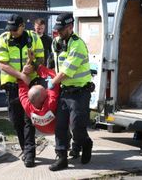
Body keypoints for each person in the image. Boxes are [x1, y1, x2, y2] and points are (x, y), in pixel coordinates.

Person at [0, 14, 44, 167]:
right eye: (10, 29)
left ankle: (30, 154)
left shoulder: (34, 38)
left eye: (15, 29)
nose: (12, 32)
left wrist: (33, 66)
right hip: (13, 86)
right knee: (16, 121)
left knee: (28, 118)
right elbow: (2, 64)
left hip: (31, 84)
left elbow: (41, 58)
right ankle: (25, 148)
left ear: (23, 26)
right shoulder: (3, 39)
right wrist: (22, 75)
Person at [46, 13, 93, 171]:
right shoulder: (56, 42)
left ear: (70, 27)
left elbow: (66, 71)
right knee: (60, 127)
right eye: (57, 29)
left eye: (61, 29)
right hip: (65, 91)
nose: (58, 32)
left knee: (77, 127)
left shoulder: (77, 44)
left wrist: (52, 83)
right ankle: (61, 158)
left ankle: (86, 143)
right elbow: (54, 64)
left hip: (80, 92)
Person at [18, 64, 59, 134]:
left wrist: (24, 73)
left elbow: (22, 91)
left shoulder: (27, 105)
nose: (46, 91)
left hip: (42, 129)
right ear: (44, 98)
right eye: (45, 91)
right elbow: (53, 79)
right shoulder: (51, 102)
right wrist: (39, 67)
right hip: (56, 127)